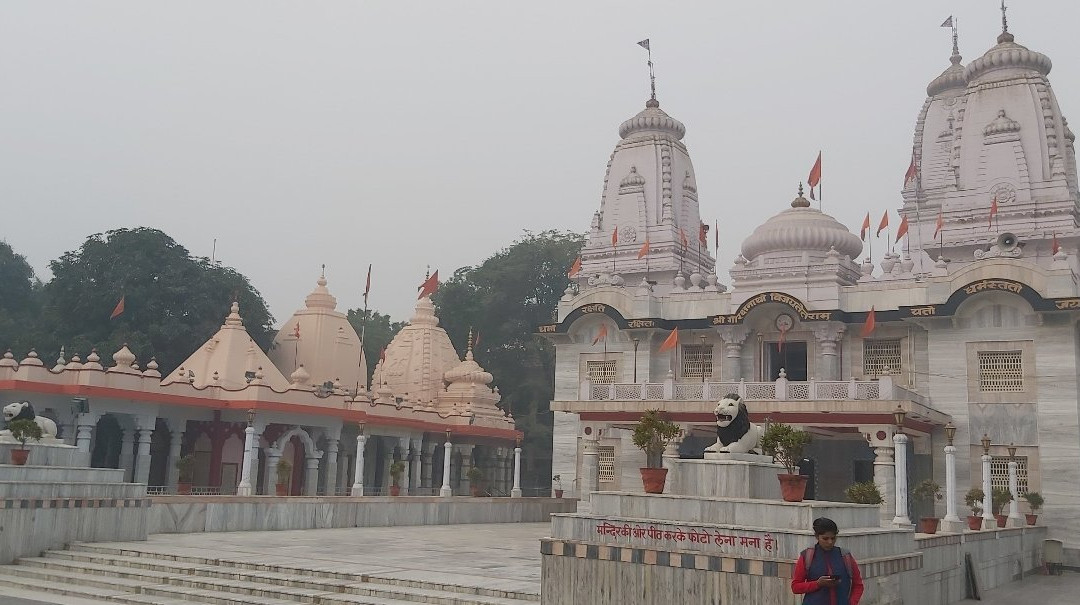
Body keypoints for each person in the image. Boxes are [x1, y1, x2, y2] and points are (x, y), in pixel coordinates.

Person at [791, 517, 864, 605]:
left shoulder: (845, 556)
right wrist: (818, 584)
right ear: (817, 537)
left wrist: (852, 603)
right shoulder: (807, 556)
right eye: (825, 538)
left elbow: (858, 585)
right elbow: (795, 587)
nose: (830, 542)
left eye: (833, 538)